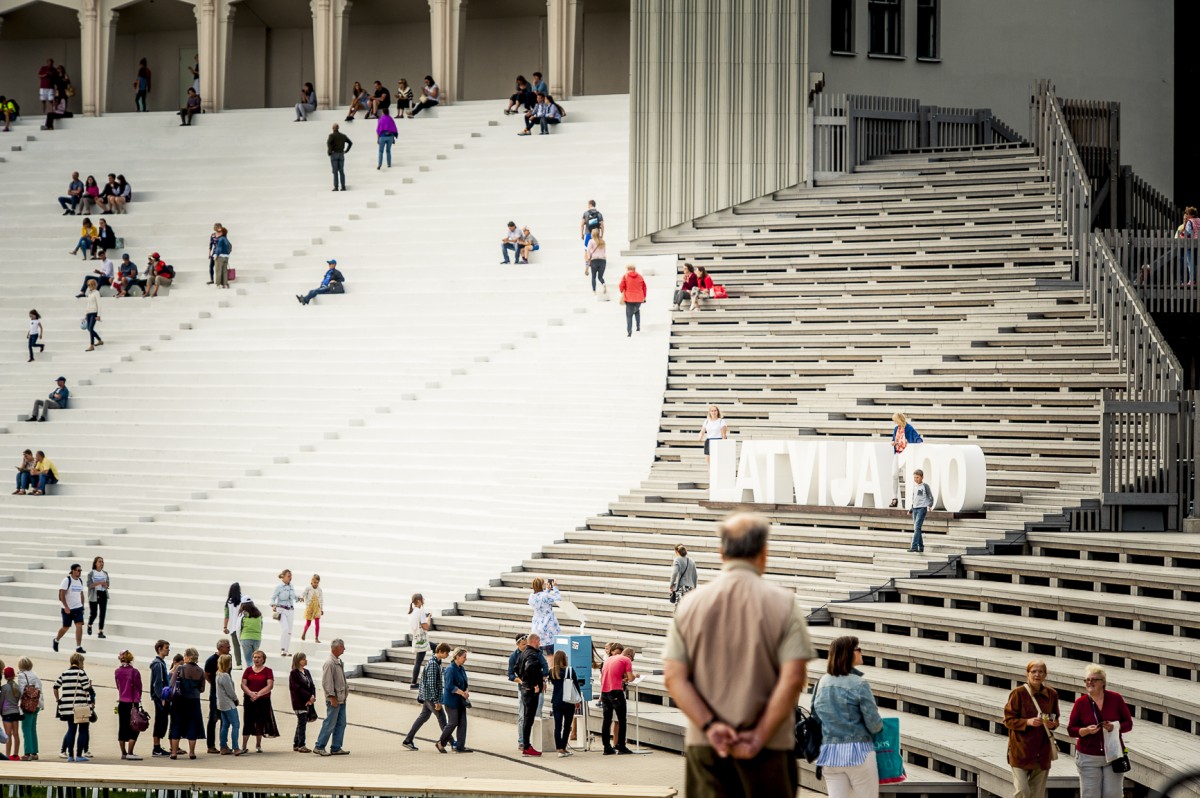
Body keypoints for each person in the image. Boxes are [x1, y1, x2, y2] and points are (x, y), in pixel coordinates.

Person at [663, 512, 815, 796]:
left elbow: (673, 677)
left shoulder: (691, 606)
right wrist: (759, 734)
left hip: (707, 747)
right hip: (769, 747)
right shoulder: (784, 604)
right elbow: (794, 678)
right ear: (764, 552)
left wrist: (710, 726)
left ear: (722, 552)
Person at [813, 637, 885, 798]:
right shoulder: (859, 684)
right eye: (858, 649)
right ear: (848, 654)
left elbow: (816, 716)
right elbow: (875, 725)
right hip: (858, 752)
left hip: (830, 754)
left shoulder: (822, 682)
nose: (861, 652)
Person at [1068, 665, 1132, 798]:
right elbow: (1071, 730)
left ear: (1103, 682)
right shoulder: (1080, 702)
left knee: (1113, 794)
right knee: (1091, 795)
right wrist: (1085, 730)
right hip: (1088, 756)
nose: (1089, 683)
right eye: (1087, 680)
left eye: (1094, 680)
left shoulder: (1115, 698)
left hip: (1113, 755)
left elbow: (1128, 724)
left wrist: (1115, 726)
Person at [1004, 660, 1061, 798]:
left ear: (1045, 675)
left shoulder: (1052, 694)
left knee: (1037, 794)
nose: (1037, 675)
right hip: (1020, 751)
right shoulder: (1018, 693)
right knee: (1023, 791)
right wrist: (1027, 722)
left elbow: (1056, 718)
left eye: (1041, 672)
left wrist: (1052, 724)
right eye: (1033, 671)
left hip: (1042, 752)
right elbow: (1008, 720)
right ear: (1027, 674)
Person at [402, 643, 451, 751]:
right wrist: (437, 701)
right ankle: (451, 741)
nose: (448, 655)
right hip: (431, 697)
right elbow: (432, 684)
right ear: (440, 651)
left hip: (428, 696)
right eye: (447, 653)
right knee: (442, 717)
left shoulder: (436, 662)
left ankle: (408, 740)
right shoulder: (433, 664)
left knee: (423, 717)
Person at [167, 648, 206, 760]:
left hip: (179, 700)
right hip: (193, 701)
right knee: (192, 725)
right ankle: (192, 752)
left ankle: (174, 753)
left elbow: (172, 684)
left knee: (176, 725)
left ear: (187, 656)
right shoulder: (200, 671)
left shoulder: (180, 668)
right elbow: (202, 689)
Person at [53, 652, 92, 762]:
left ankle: (70, 755)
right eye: (82, 662)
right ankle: (79, 755)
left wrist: (58, 700)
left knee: (71, 730)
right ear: (79, 662)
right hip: (80, 707)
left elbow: (55, 686)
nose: (83, 665)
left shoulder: (64, 673)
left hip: (67, 707)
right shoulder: (81, 673)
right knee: (83, 730)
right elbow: (87, 688)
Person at [313, 639, 349, 756]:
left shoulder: (338, 661)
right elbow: (327, 682)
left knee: (341, 723)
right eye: (342, 647)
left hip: (341, 698)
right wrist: (331, 696)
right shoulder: (330, 663)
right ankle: (319, 746)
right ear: (336, 648)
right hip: (335, 699)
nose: (344, 649)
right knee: (330, 723)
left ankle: (336, 747)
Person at [240, 649, 279, 752]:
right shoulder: (248, 670)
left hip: (263, 700)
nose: (256, 659)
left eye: (259, 657)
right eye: (255, 657)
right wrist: (250, 693)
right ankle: (243, 746)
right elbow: (243, 684)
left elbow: (270, 685)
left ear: (263, 659)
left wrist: (258, 694)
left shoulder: (268, 671)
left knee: (260, 722)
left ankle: (258, 745)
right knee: (247, 721)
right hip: (249, 700)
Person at [599, 643, 634, 755]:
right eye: (632, 658)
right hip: (616, 692)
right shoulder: (626, 660)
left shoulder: (608, 659)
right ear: (629, 655)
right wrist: (635, 676)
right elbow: (630, 678)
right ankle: (621, 746)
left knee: (607, 720)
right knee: (622, 720)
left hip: (604, 692)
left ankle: (606, 747)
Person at [517, 633, 549, 756]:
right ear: (534, 641)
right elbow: (530, 667)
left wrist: (524, 679)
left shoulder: (523, 653)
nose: (539, 644)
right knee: (529, 718)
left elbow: (516, 667)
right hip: (531, 690)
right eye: (539, 641)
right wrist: (535, 684)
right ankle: (526, 746)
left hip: (525, 688)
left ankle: (526, 744)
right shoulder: (532, 654)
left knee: (527, 718)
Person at [548, 650, 582, 758]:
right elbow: (576, 685)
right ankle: (563, 747)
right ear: (564, 659)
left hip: (556, 700)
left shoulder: (552, 671)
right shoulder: (570, 670)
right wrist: (578, 700)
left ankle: (559, 748)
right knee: (567, 725)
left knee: (557, 726)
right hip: (568, 700)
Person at [436, 648, 471, 753]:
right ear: (457, 657)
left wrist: (466, 691)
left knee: (463, 723)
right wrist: (462, 693)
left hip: (461, 700)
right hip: (451, 701)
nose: (465, 659)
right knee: (453, 722)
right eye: (464, 657)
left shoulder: (461, 668)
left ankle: (460, 746)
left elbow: (465, 682)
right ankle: (441, 742)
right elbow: (449, 686)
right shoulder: (450, 669)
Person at [889, 412, 923, 508]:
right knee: (894, 474)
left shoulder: (909, 428)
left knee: (906, 477)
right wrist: (893, 442)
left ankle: (911, 499)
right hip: (897, 453)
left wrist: (920, 443)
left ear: (900, 419)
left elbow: (916, 438)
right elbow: (893, 439)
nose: (895, 422)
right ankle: (894, 498)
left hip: (906, 454)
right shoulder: (896, 429)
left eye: (895, 420)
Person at [114, 650, 143, 760]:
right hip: (132, 702)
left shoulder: (117, 671)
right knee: (135, 727)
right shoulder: (134, 672)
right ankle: (130, 752)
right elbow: (139, 687)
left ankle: (123, 752)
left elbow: (118, 686)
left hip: (122, 701)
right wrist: (138, 696)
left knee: (122, 726)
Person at [203, 640, 230, 754]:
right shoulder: (211, 660)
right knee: (213, 719)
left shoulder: (228, 658)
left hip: (225, 694)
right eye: (227, 647)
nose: (229, 649)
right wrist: (215, 684)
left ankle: (223, 744)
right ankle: (211, 745)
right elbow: (207, 675)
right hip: (215, 694)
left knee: (225, 720)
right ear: (220, 648)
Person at [53, 564, 86, 654]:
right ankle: (56, 640)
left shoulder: (80, 581)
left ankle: (78, 646)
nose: (80, 572)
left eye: (80, 570)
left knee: (79, 626)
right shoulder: (67, 580)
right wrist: (66, 607)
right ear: (73, 571)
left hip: (78, 608)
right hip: (67, 608)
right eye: (78, 570)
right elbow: (62, 594)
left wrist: (82, 607)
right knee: (66, 627)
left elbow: (81, 594)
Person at [507, 633, 532, 751]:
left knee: (535, 714)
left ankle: (533, 739)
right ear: (517, 644)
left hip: (533, 685)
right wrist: (520, 681)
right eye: (523, 644)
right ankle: (521, 740)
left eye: (527, 644)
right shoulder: (514, 657)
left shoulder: (531, 653)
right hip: (522, 686)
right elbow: (510, 675)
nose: (525, 646)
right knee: (522, 714)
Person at [17, 658, 44, 760]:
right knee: (33, 728)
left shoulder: (21, 676)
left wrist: (17, 704)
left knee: (26, 728)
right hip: (36, 704)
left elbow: (20, 691)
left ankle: (27, 753)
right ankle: (34, 752)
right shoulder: (35, 675)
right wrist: (41, 704)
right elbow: (40, 689)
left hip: (27, 705)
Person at [289, 652, 316, 753]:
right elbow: (297, 688)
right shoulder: (294, 673)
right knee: (302, 723)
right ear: (298, 661)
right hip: (299, 702)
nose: (305, 660)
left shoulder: (307, 672)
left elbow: (312, 685)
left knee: (301, 722)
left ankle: (296, 743)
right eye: (303, 659)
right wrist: (308, 697)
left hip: (308, 701)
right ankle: (301, 744)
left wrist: (312, 696)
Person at [214, 653, 241, 755]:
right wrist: (235, 699)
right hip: (228, 703)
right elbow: (230, 691)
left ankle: (223, 746)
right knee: (235, 724)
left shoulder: (218, 674)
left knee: (225, 725)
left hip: (221, 704)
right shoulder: (225, 676)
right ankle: (236, 747)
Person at [149, 639, 170, 757]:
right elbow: (158, 683)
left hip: (161, 697)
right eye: (166, 648)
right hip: (160, 698)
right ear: (159, 649)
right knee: (160, 721)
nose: (168, 650)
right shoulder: (158, 664)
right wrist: (162, 697)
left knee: (162, 721)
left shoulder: (161, 663)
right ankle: (156, 747)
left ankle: (157, 746)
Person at [528, 578, 561, 653]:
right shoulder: (545, 596)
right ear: (542, 585)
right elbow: (557, 599)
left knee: (539, 647)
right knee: (551, 650)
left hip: (537, 623)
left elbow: (541, 598)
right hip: (548, 623)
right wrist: (555, 587)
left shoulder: (532, 596)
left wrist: (547, 590)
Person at [408, 593, 433, 689]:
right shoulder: (420, 612)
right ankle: (436, 667)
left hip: (417, 639)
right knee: (437, 648)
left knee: (418, 661)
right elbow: (426, 627)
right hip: (422, 640)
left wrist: (425, 617)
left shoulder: (413, 612)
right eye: (423, 599)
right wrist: (428, 619)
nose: (424, 600)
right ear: (419, 600)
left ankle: (413, 683)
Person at [271, 569, 299, 657]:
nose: (290, 578)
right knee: (285, 629)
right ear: (283, 576)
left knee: (289, 631)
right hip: (281, 610)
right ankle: (282, 649)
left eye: (291, 576)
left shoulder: (291, 586)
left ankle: (286, 650)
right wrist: (273, 605)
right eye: (288, 576)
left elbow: (293, 596)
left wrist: (299, 598)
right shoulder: (279, 587)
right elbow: (273, 598)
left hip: (290, 610)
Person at [907, 469, 934, 552]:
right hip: (915, 509)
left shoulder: (925, 486)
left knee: (917, 527)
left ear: (922, 477)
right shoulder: (915, 487)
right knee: (917, 529)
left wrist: (930, 505)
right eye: (914, 477)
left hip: (922, 509)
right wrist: (911, 509)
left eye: (917, 477)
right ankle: (921, 546)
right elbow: (914, 499)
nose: (916, 479)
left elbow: (930, 496)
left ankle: (914, 546)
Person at [619, 264, 647, 337]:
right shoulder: (640, 276)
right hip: (639, 298)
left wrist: (622, 290)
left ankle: (629, 331)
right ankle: (638, 326)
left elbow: (621, 287)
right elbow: (644, 287)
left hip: (629, 298)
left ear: (627, 269)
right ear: (634, 269)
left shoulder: (625, 276)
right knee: (636, 310)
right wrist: (644, 297)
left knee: (629, 315)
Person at [85, 557, 110, 638]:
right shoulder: (91, 573)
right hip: (94, 594)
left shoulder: (105, 573)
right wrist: (100, 582)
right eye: (99, 561)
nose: (101, 563)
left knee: (102, 613)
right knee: (94, 613)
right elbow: (89, 585)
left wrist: (105, 585)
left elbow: (107, 585)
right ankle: (90, 624)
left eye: (102, 562)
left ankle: (100, 631)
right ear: (95, 563)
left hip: (103, 593)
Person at [1, 667, 21, 760]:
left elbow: (1, 701)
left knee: (8, 735)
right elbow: (17, 700)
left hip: (7, 713)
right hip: (15, 712)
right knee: (16, 734)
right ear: (13, 675)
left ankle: (8, 755)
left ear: (5, 676)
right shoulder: (17, 687)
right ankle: (16, 754)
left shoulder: (4, 688)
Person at [222, 584, 245, 667]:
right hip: (243, 626)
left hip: (233, 627)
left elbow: (226, 616)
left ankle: (239, 664)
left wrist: (225, 627)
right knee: (246, 646)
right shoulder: (243, 599)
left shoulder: (228, 602)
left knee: (236, 646)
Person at [327, 124, 353, 191]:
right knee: (341, 171)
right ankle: (343, 187)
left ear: (333, 128)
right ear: (338, 128)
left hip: (334, 154)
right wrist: (346, 150)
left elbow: (329, 143)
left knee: (335, 171)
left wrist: (329, 152)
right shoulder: (343, 136)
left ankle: (336, 187)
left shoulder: (331, 135)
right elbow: (350, 143)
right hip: (341, 154)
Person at [239, 600, 264, 666]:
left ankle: (251, 672)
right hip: (257, 638)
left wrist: (240, 638)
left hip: (245, 638)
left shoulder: (243, 615)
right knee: (255, 659)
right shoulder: (259, 615)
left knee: (249, 660)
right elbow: (261, 626)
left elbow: (239, 628)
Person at [300, 574, 323, 643]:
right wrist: (302, 597)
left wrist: (321, 609)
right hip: (310, 607)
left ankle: (316, 637)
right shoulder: (308, 588)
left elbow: (321, 599)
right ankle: (304, 632)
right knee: (308, 623)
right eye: (314, 582)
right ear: (312, 581)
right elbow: (303, 593)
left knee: (317, 623)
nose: (316, 584)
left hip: (317, 607)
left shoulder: (319, 589)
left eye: (317, 583)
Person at [83, 279, 104, 350]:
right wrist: (85, 314)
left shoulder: (96, 293)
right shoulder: (89, 293)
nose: (88, 286)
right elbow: (88, 304)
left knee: (91, 328)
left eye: (90, 285)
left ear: (93, 285)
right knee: (89, 329)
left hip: (94, 313)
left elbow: (99, 304)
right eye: (88, 285)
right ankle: (100, 340)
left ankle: (91, 345)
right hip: (89, 313)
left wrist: (99, 315)